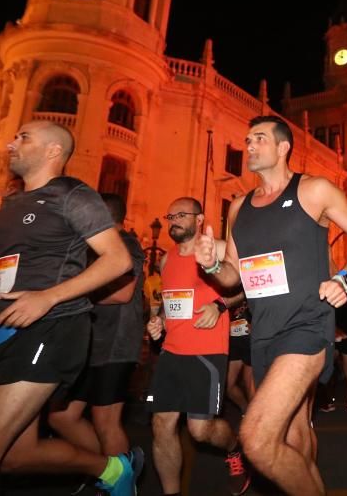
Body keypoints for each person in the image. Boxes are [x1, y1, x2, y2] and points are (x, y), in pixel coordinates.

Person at [0, 121, 141, 496]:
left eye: (23, 137)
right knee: (17, 456)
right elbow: (6, 275)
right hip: (6, 329)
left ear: (53, 150)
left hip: (51, 327)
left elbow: (118, 261)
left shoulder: (72, 194)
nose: (9, 143)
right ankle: (114, 469)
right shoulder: (11, 205)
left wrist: (49, 296)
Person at [194, 116, 347, 495]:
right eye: (246, 140)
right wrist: (212, 263)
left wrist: (344, 277)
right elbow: (235, 277)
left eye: (259, 138)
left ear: (283, 148)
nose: (249, 146)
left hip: (307, 326)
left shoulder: (314, 191)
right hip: (264, 333)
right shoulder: (239, 208)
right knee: (294, 437)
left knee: (257, 439)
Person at [146, 196, 250, 496]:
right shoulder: (166, 260)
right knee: (161, 424)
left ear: (200, 218)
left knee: (200, 430)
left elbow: (244, 287)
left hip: (206, 351)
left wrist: (219, 305)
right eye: (170, 216)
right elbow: (170, 303)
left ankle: (233, 449)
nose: (174, 220)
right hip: (171, 351)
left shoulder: (216, 248)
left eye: (181, 214)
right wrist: (160, 322)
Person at [48, 193, 146, 461]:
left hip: (115, 344)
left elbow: (124, 293)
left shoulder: (125, 244)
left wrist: (70, 293)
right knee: (61, 416)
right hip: (89, 345)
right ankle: (105, 468)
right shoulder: (95, 248)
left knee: (105, 421)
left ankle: (121, 484)